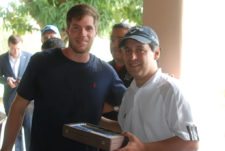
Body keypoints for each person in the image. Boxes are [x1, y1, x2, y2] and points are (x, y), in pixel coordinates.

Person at [0, 4, 126, 151]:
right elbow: (18, 108)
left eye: (88, 28)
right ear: (67, 31)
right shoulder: (41, 62)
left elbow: (130, 104)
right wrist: (6, 148)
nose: (82, 34)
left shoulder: (105, 73)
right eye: (76, 27)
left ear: (95, 32)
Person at [102, 26, 199, 151]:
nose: (132, 57)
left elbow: (192, 143)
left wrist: (144, 148)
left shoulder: (171, 90)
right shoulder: (130, 92)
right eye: (127, 50)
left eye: (140, 50)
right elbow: (126, 129)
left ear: (156, 53)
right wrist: (96, 119)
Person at [0, 35, 33, 151]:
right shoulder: (2, 59)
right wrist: (6, 80)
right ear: (9, 46)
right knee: (14, 127)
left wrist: (23, 81)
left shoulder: (30, 57)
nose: (16, 51)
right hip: (9, 98)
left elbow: (34, 76)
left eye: (18, 48)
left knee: (28, 126)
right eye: (13, 48)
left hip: (27, 98)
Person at [103, 23, 133, 121]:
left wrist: (113, 108)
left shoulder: (138, 72)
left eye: (120, 40)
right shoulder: (103, 69)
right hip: (99, 129)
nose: (115, 45)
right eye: (112, 40)